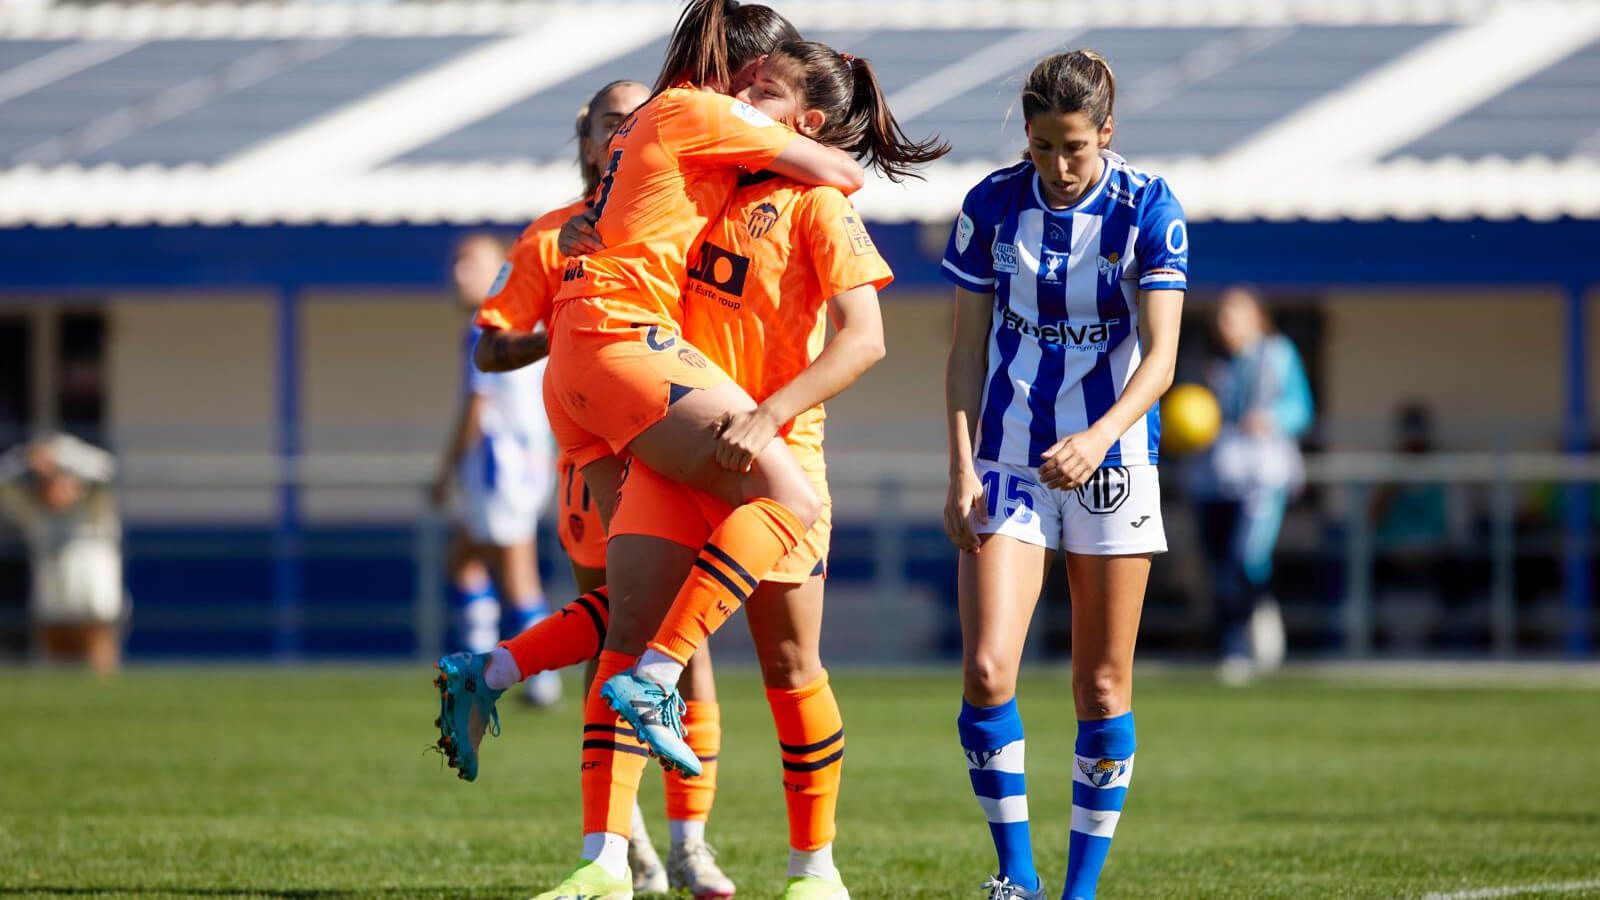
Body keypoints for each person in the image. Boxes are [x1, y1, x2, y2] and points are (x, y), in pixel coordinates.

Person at [481, 39, 929, 900]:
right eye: (743, 84)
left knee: (789, 668)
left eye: (762, 90)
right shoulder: (706, 178)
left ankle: (814, 869)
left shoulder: (818, 202)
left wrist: (769, 413)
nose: (739, 97)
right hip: (679, 445)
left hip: (772, 451)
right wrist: (582, 237)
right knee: (625, 635)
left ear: (806, 123)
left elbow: (865, 340)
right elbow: (633, 240)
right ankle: (604, 863)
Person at [452, 78, 727, 897]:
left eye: (637, 122)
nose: (624, 136)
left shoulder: (682, 216)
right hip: (592, 469)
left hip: (673, 452)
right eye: (612, 123)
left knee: (689, 646)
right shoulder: (549, 237)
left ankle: (691, 844)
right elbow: (489, 347)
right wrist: (569, 326)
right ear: (586, 139)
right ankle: (624, 839)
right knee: (618, 639)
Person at [942, 51, 1186, 900]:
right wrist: (960, 467)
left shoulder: (1149, 208)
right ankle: (1016, 876)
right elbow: (966, 351)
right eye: (1043, 146)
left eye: (1075, 146)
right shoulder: (991, 205)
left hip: (1112, 464)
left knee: (1102, 685)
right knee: (986, 670)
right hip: (1007, 458)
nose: (1058, 165)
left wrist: (1099, 435)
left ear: (1106, 133)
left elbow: (1162, 358)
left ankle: (1080, 893)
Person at [429, 233, 560, 705]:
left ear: (499, 272)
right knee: (463, 561)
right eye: (456, 263)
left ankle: (539, 677)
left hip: (500, 468)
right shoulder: (525, 320)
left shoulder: (488, 325)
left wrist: (445, 470)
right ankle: (483, 667)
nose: (459, 274)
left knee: (515, 573)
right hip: (524, 464)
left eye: (472, 264)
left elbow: (476, 406)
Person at [1192, 285, 1313, 684]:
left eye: (1235, 315)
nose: (1226, 324)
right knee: (1218, 563)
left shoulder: (1278, 354)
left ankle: (1247, 639)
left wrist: (1271, 418)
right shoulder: (1211, 363)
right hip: (1215, 475)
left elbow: (1301, 409)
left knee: (1246, 559)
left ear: (1257, 317)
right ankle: (1233, 640)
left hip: (1263, 473)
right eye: (1222, 316)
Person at [0, 433, 124, 676]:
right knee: (56, 659)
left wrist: (60, 453)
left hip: (93, 597)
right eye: (50, 481)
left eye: (63, 480)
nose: (57, 489)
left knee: (98, 648)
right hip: (53, 600)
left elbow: (108, 470)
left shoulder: (95, 507)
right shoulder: (34, 512)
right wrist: (27, 458)